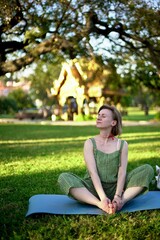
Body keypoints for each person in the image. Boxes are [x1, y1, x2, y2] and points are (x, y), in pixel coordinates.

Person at [58, 105, 154, 214]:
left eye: (103, 116)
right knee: (64, 178)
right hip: (93, 189)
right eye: (98, 115)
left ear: (113, 122)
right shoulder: (89, 143)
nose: (98, 118)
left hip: (117, 187)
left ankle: (121, 202)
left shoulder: (122, 144)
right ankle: (99, 204)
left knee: (147, 169)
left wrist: (118, 196)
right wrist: (102, 199)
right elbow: (92, 172)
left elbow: (122, 172)